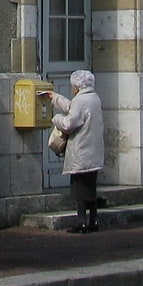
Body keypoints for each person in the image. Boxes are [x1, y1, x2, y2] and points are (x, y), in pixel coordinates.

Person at [47, 69, 104, 232]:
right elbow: (73, 107)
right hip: (93, 151)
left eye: (73, 86)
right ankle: (93, 220)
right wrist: (55, 98)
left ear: (77, 87)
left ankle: (81, 222)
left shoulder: (80, 101)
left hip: (81, 151)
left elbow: (69, 123)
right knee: (91, 188)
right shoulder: (94, 98)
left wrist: (56, 119)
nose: (72, 89)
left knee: (79, 189)